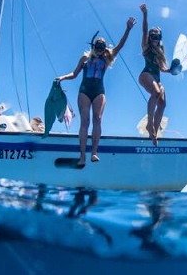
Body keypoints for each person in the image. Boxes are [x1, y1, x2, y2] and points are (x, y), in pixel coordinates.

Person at [56, 16, 136, 166]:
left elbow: (119, 46)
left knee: (97, 119)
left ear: (104, 48)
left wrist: (128, 29)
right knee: (84, 122)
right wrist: (62, 78)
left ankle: (94, 152)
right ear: (93, 46)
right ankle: (82, 156)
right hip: (84, 91)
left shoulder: (106, 59)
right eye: (97, 47)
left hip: (99, 91)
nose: (99, 50)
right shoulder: (85, 59)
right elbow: (74, 74)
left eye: (102, 47)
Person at [138, 3, 171, 146]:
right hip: (146, 75)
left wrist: (170, 70)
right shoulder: (146, 47)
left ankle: (154, 133)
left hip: (157, 78)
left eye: (156, 36)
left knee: (163, 104)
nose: (154, 39)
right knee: (156, 92)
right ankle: (149, 124)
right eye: (152, 36)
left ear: (160, 38)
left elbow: (162, 68)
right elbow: (144, 31)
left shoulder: (160, 52)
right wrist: (145, 14)